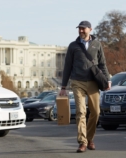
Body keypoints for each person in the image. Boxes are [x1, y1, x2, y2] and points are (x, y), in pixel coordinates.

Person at [59, 21, 111, 153]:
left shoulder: (97, 44)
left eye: (83, 29)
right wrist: (63, 86)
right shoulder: (73, 46)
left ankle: (90, 138)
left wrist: (107, 80)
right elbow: (67, 67)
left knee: (96, 112)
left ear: (90, 29)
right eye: (79, 29)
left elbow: (102, 64)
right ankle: (82, 142)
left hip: (93, 82)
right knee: (81, 112)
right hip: (78, 82)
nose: (81, 31)